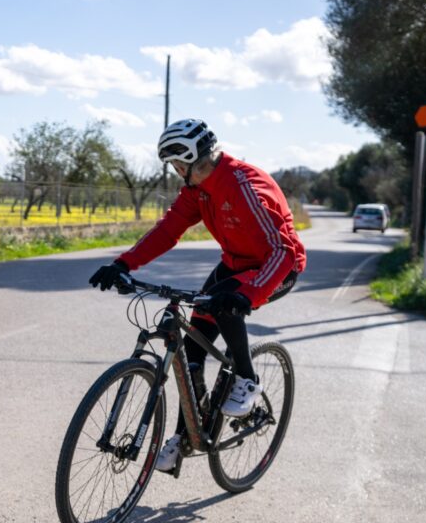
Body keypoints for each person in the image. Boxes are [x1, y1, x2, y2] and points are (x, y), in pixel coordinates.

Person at [88, 118, 306, 472]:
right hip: (234, 264)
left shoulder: (245, 186)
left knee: (226, 306)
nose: (175, 171)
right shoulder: (197, 190)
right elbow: (168, 230)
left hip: (277, 267)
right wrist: (123, 263)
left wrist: (248, 294)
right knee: (191, 350)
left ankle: (247, 379)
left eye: (177, 164)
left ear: (190, 160)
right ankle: (187, 435)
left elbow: (283, 251)